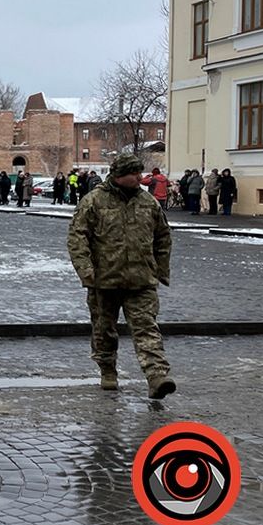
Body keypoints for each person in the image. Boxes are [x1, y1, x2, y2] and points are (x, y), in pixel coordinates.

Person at [67, 154, 176, 400]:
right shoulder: (93, 201)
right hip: (104, 280)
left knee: (147, 328)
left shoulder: (148, 202)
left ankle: (157, 376)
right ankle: (108, 370)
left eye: (140, 172)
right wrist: (86, 271)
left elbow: (163, 236)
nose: (139, 177)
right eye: (133, 173)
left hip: (141, 280)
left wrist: (160, 269)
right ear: (119, 175)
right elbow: (77, 238)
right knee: (104, 330)